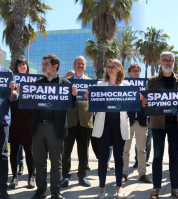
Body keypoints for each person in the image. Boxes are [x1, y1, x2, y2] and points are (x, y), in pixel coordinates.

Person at [146, 52, 178, 199]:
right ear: (160, 62)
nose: (168, 63)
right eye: (165, 60)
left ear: (174, 62)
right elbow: (148, 102)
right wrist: (144, 102)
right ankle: (156, 188)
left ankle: (175, 188)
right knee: (157, 156)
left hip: (176, 123)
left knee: (174, 156)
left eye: (171, 60)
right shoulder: (152, 81)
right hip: (157, 124)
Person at [30, 54, 78, 199]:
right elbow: (30, 107)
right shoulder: (37, 84)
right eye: (42, 63)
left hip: (55, 128)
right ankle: (41, 189)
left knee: (56, 162)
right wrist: (23, 95)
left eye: (46, 64)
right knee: (39, 161)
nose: (43, 66)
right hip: (38, 127)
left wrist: (74, 96)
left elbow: (71, 106)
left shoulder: (66, 84)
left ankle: (55, 191)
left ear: (55, 66)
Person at [85, 59, 130, 199]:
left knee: (119, 157)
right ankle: (101, 189)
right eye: (108, 67)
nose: (109, 69)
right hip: (103, 125)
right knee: (103, 158)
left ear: (119, 69)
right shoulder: (100, 85)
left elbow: (129, 105)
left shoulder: (126, 85)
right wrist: (88, 98)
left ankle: (119, 188)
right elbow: (93, 105)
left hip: (119, 125)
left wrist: (136, 100)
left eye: (112, 67)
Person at [61, 56, 93, 187]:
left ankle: (82, 176)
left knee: (83, 151)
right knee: (66, 151)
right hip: (69, 122)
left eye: (83, 64)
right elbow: (61, 100)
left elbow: (98, 102)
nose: (80, 65)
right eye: (78, 63)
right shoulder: (65, 82)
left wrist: (91, 97)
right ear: (73, 66)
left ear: (85, 66)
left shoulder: (92, 83)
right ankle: (65, 176)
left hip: (85, 121)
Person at [8, 58, 35, 189]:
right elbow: (9, 101)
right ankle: (14, 177)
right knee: (13, 150)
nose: (22, 66)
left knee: (29, 150)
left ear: (27, 66)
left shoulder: (34, 81)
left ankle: (31, 177)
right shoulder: (12, 81)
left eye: (24, 64)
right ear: (16, 67)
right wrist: (16, 94)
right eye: (19, 64)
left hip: (28, 118)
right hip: (15, 118)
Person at [123, 64, 151, 183]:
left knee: (141, 150)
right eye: (133, 70)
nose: (136, 72)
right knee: (125, 150)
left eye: (138, 71)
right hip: (127, 121)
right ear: (128, 73)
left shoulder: (147, 86)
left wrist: (146, 101)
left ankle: (142, 174)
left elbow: (152, 102)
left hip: (141, 121)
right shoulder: (123, 85)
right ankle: (123, 174)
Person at [0, 48, 17, 199]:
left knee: (3, 155)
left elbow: (13, 97)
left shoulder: (7, 73)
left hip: (2, 120)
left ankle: (2, 188)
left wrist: (13, 91)